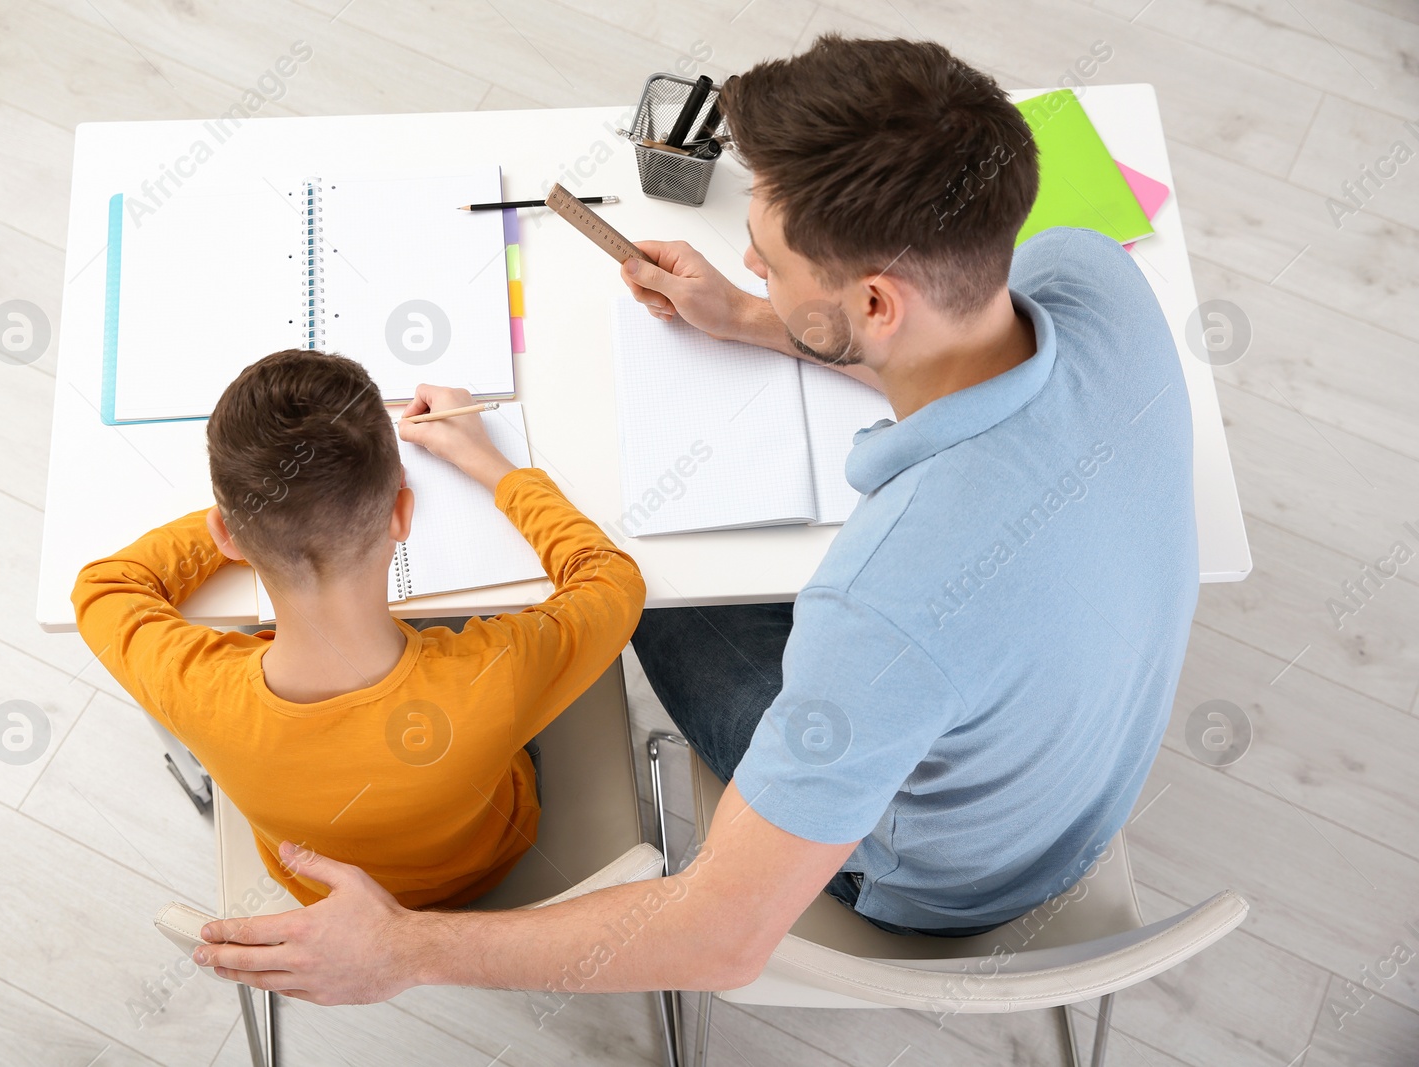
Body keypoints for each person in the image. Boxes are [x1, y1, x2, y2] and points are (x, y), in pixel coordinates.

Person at [195, 35, 1197, 1004]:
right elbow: (945, 329)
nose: (754, 270)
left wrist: (406, 946)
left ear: (876, 303)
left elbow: (719, 934)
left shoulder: (886, 603)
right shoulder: (1090, 272)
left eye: (767, 262)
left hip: (935, 880)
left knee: (643, 580)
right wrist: (753, 318)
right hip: (1085, 781)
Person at [73, 351, 644, 909]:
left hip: (315, 893)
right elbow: (612, 581)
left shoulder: (193, 688)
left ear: (224, 535)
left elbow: (104, 587)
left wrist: (263, 514)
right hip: (489, 865)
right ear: (402, 512)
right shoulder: (497, 673)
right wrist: (491, 465)